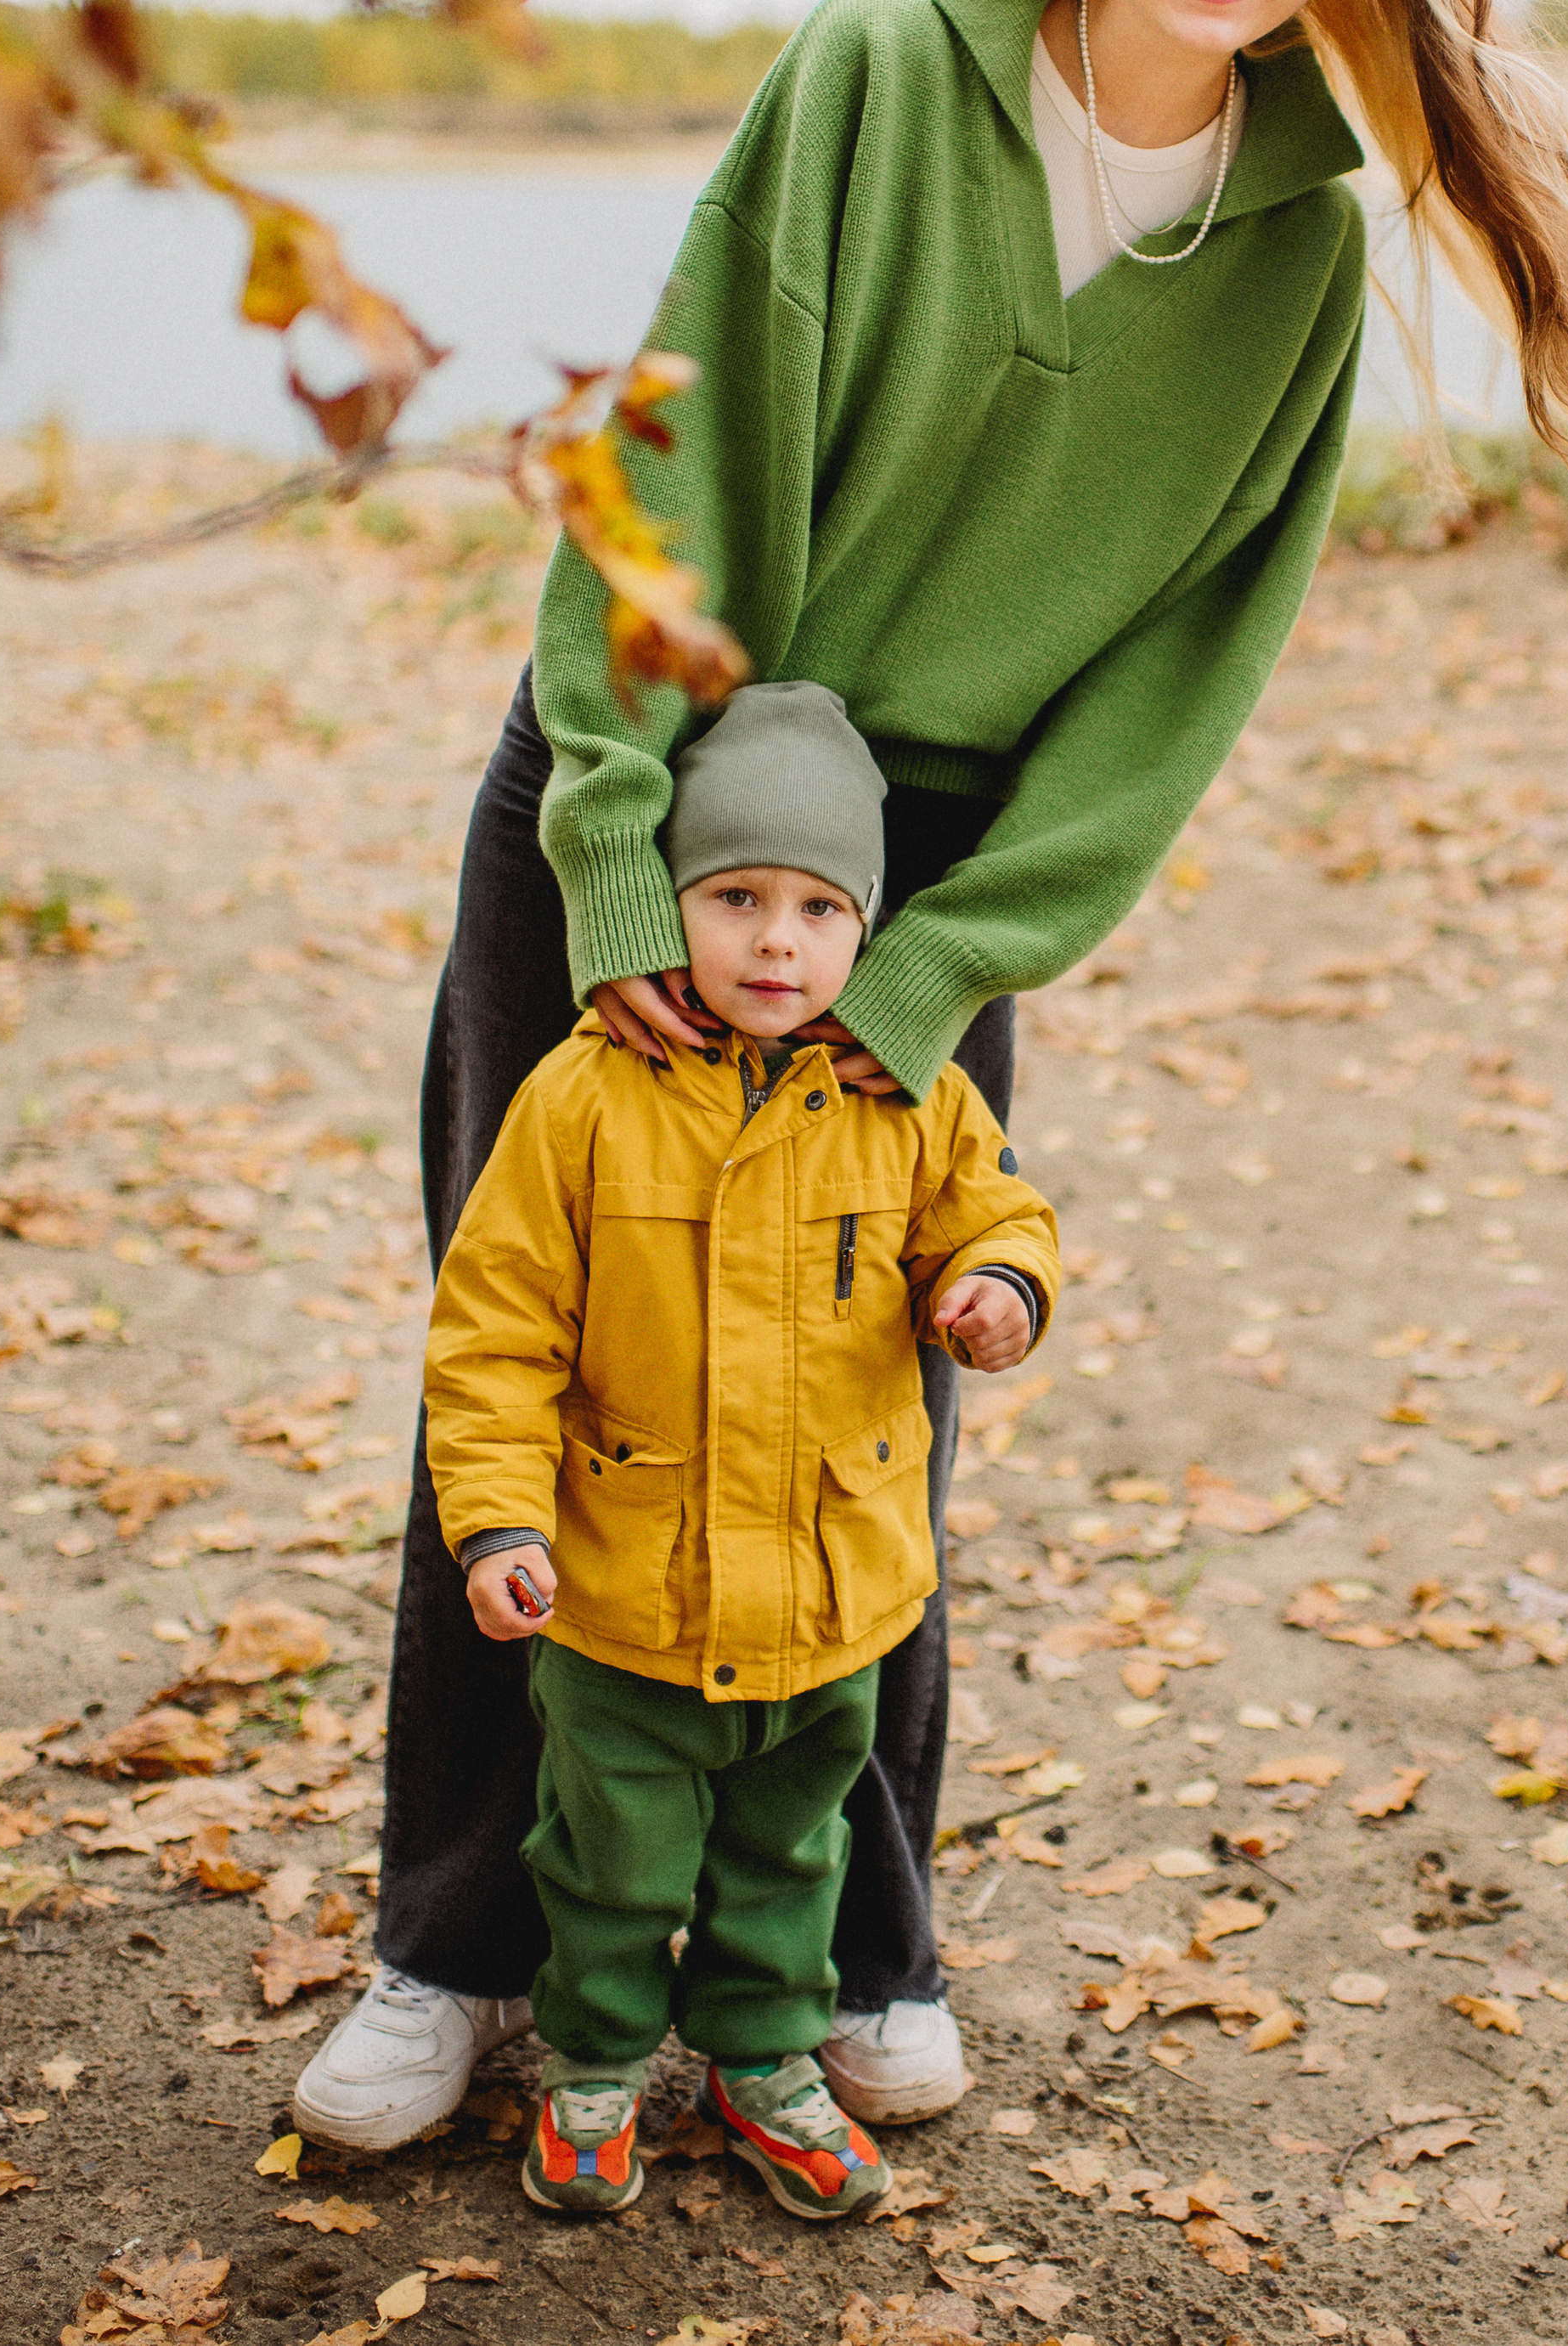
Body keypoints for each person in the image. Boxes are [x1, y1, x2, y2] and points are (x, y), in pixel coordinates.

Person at [295, 0, 1568, 2156]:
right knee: (541, 1354)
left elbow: (1173, 686)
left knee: (868, 1400)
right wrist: (626, 850)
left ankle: (839, 1951)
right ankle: (452, 1939)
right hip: (647, 774)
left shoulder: (1297, 255)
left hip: (923, 877)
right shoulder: (876, 71)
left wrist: (923, 966)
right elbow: (672, 461)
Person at [422, 681, 1058, 2220]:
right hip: (627, 1584)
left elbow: (1000, 1212)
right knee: (610, 1855)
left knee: (793, 1853)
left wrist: (996, 1291)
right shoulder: (582, 1096)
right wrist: (501, 1527)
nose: (779, 941)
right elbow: (494, 1329)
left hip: (832, 1591)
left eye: (821, 907)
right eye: (736, 897)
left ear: (867, 928)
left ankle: (768, 2054)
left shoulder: (908, 1093)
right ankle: (589, 2061)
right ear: (671, 901)